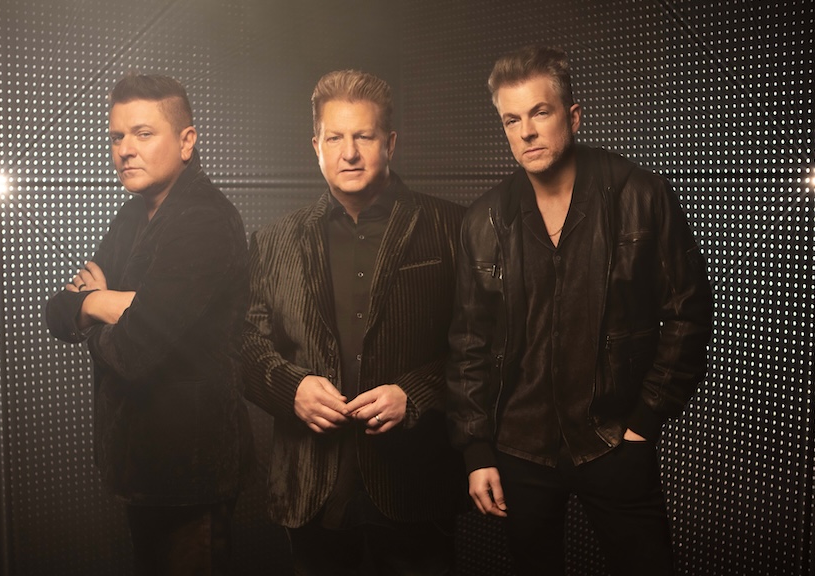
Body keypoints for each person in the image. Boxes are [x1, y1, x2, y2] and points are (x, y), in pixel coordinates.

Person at [447, 45, 714, 575]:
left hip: (613, 440)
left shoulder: (641, 195)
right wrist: (476, 449)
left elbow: (688, 315)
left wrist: (644, 422)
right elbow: (469, 342)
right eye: (512, 120)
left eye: (540, 112)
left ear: (572, 116)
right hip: (519, 449)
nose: (527, 132)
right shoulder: (484, 219)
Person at [242, 69, 466, 575]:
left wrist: (414, 394)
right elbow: (246, 347)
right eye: (335, 138)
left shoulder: (452, 227)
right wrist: (292, 390)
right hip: (311, 488)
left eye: (363, 136)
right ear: (316, 146)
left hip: (415, 483)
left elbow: (483, 345)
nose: (349, 153)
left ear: (390, 143)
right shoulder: (273, 240)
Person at [45, 73, 253, 575]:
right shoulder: (131, 216)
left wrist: (93, 303)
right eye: (117, 136)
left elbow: (136, 351)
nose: (125, 150)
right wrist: (108, 305)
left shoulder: (204, 221)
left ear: (186, 141)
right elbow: (58, 311)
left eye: (143, 133)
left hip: (189, 473)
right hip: (138, 468)